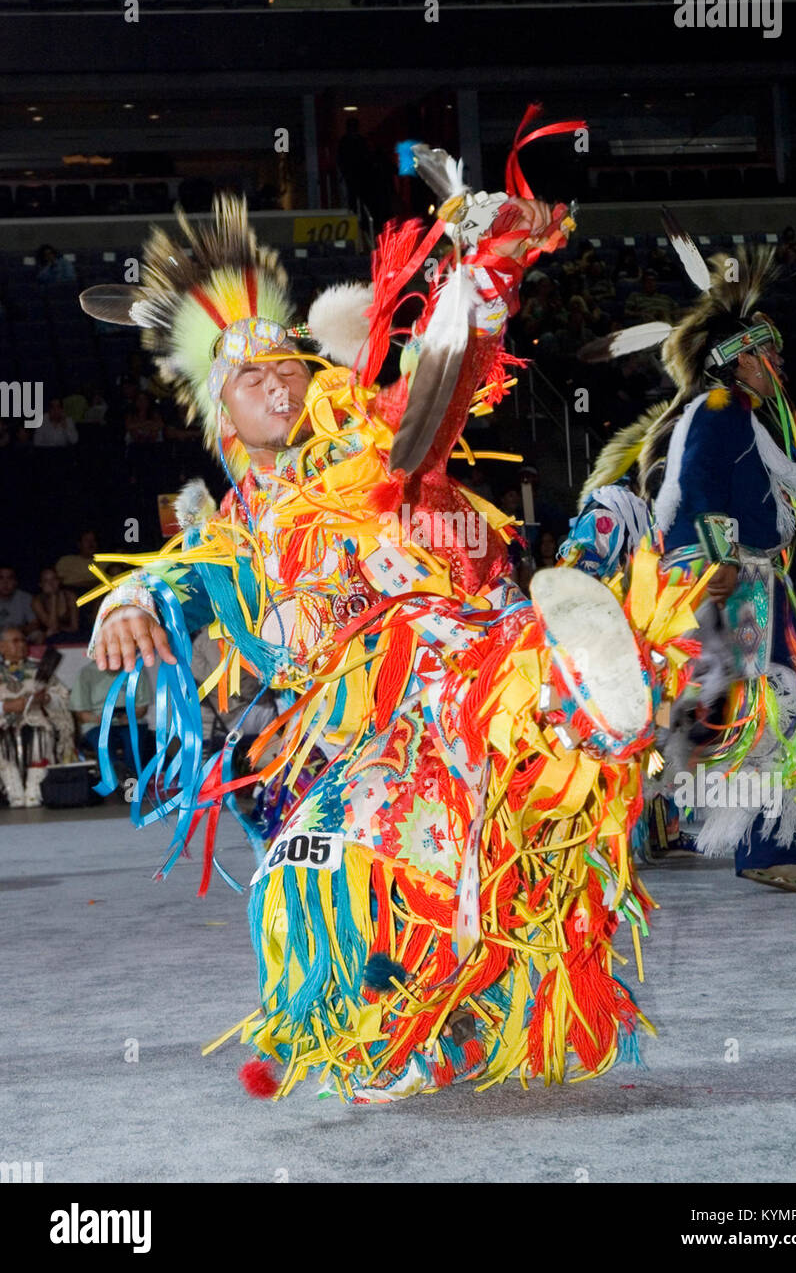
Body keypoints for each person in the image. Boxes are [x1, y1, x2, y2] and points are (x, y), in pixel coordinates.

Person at [80, 142, 705, 1103]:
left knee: (497, 732)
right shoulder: (237, 532)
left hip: (456, 674)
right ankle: (403, 1029)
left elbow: (441, 387)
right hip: (358, 742)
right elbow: (181, 584)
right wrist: (131, 603)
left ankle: (580, 690)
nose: (280, 388)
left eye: (289, 371)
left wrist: (483, 271)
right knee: (329, 872)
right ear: (221, 414)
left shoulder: (376, 444)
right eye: (253, 383)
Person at [589, 228, 796, 891]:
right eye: (767, 355)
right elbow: (698, 486)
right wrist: (720, 561)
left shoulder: (739, 415)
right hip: (730, 580)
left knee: (751, 707)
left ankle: (715, 836)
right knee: (770, 706)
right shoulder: (717, 410)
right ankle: (764, 852)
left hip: (749, 580)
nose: (778, 366)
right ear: (736, 359)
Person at [0, 626, 75, 806]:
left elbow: (63, 697)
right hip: (3, 722)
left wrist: (46, 698)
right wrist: (6, 706)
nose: (22, 645)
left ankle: (35, 789)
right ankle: (12, 788)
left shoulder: (39, 669)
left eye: (23, 640)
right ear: (1, 647)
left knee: (40, 732)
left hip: (34, 720)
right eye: (16, 641)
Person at [69, 659, 150, 777]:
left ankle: (132, 780)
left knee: (133, 742)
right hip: (97, 724)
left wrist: (131, 716)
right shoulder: (86, 673)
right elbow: (81, 713)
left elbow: (142, 707)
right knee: (104, 743)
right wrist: (98, 718)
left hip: (130, 722)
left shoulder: (135, 670)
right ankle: (114, 779)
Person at [32, 567, 78, 644]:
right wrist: (54, 597)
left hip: (68, 635)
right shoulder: (37, 601)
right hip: (46, 638)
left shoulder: (70, 596)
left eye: (54, 579)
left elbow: (74, 627)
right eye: (46, 581)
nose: (51, 583)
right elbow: (52, 626)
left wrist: (59, 629)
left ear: (59, 581)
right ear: (41, 584)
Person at [55, 531, 99, 595]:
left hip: (96, 593)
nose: (91, 543)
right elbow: (58, 582)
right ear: (79, 544)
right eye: (87, 540)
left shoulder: (105, 561)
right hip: (70, 593)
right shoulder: (66, 561)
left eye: (93, 540)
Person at [0, 567, 38, 637]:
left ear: (15, 582)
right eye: (1, 578)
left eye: (9, 578)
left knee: (38, 634)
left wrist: (21, 630)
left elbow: (34, 623)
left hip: (20, 635)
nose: (5, 583)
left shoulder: (25, 598)